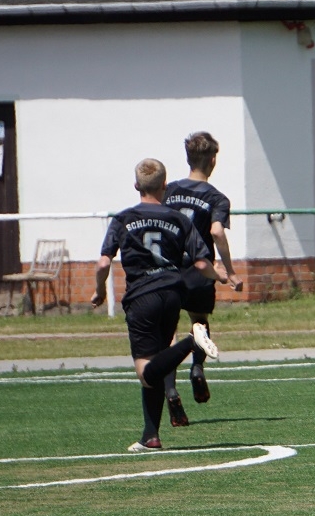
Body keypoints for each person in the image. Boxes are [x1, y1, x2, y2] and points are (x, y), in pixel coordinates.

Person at [91, 158, 227, 451]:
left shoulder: (123, 218)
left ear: (136, 186)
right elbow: (201, 262)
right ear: (164, 185)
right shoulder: (179, 219)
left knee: (147, 371)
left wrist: (100, 290)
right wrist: (220, 274)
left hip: (143, 297)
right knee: (158, 361)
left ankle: (192, 341)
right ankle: (150, 436)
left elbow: (103, 263)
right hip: (172, 295)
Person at [162, 132, 243, 416]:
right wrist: (229, 272)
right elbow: (217, 231)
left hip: (168, 268)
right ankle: (197, 367)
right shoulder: (216, 198)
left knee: (167, 333)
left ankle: (170, 391)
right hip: (199, 269)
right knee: (199, 322)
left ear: (188, 159)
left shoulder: (168, 191)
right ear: (212, 161)